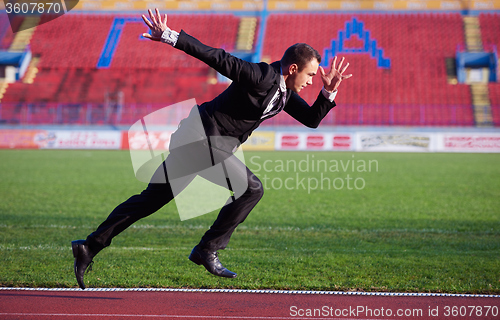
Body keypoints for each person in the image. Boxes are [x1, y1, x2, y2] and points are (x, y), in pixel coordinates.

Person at [71, 8, 352, 289]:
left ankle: (89, 246)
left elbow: (312, 119)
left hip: (206, 143)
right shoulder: (261, 75)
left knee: (150, 200)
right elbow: (218, 57)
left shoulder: (285, 93)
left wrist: (329, 92)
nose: (312, 80)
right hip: (201, 139)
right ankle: (208, 249)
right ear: (293, 68)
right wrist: (170, 36)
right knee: (251, 189)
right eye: (311, 74)